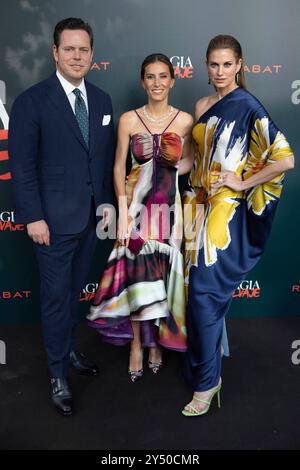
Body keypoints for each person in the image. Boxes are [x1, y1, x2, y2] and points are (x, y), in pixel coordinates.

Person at [182, 35, 295, 416]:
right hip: (197, 207)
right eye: (214, 64)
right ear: (206, 65)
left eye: (227, 65)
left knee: (203, 291)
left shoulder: (248, 105)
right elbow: (194, 161)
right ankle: (207, 370)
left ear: (240, 65)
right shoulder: (200, 104)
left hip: (225, 213)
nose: (220, 72)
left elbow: (284, 159)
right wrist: (163, 157)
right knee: (198, 294)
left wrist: (242, 182)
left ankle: (207, 382)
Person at [9, 18, 115, 416]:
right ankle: (57, 374)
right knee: (55, 300)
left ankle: (69, 351)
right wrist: (33, 218)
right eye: (68, 49)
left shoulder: (102, 100)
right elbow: (22, 168)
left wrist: (105, 207)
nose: (76, 56)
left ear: (91, 54)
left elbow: (101, 162)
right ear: (55, 52)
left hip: (88, 220)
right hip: (50, 225)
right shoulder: (32, 101)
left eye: (83, 49)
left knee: (73, 295)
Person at [87, 53, 194, 381]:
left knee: (159, 277)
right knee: (136, 279)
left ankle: (156, 344)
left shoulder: (186, 121)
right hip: (135, 211)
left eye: (163, 76)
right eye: (150, 77)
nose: (157, 83)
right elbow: (119, 165)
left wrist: (174, 167)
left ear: (172, 80)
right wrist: (121, 210)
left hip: (168, 210)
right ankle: (136, 345)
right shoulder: (129, 120)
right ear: (142, 82)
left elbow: (188, 163)